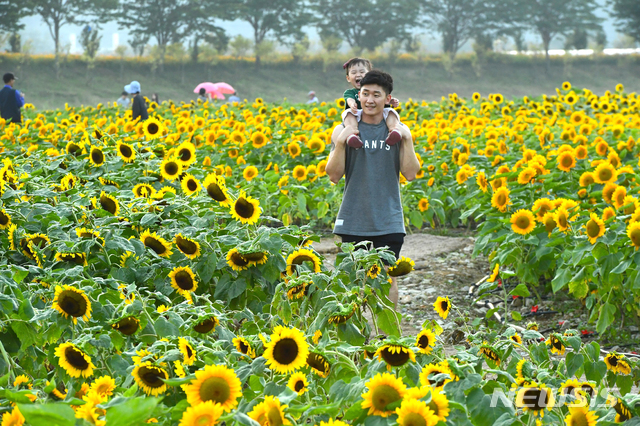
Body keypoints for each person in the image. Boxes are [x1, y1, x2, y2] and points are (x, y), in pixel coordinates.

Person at [325, 70, 420, 307]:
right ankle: (355, 336)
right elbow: (334, 175)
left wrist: (407, 140)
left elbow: (410, 173)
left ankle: (387, 334)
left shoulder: (398, 132)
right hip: (353, 219)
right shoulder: (344, 130)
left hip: (388, 220)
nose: (369, 100)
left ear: (388, 99)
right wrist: (340, 143)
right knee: (352, 280)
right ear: (358, 95)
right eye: (365, 93)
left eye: (376, 95)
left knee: (388, 279)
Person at [341, 58, 402, 149]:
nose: (358, 75)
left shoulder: (379, 88)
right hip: (356, 114)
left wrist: (391, 101)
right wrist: (352, 104)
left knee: (390, 112)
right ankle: (353, 134)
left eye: (362, 72)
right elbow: (349, 99)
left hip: (377, 115)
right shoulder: (350, 92)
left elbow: (384, 99)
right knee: (348, 114)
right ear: (348, 78)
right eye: (354, 73)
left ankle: (393, 130)